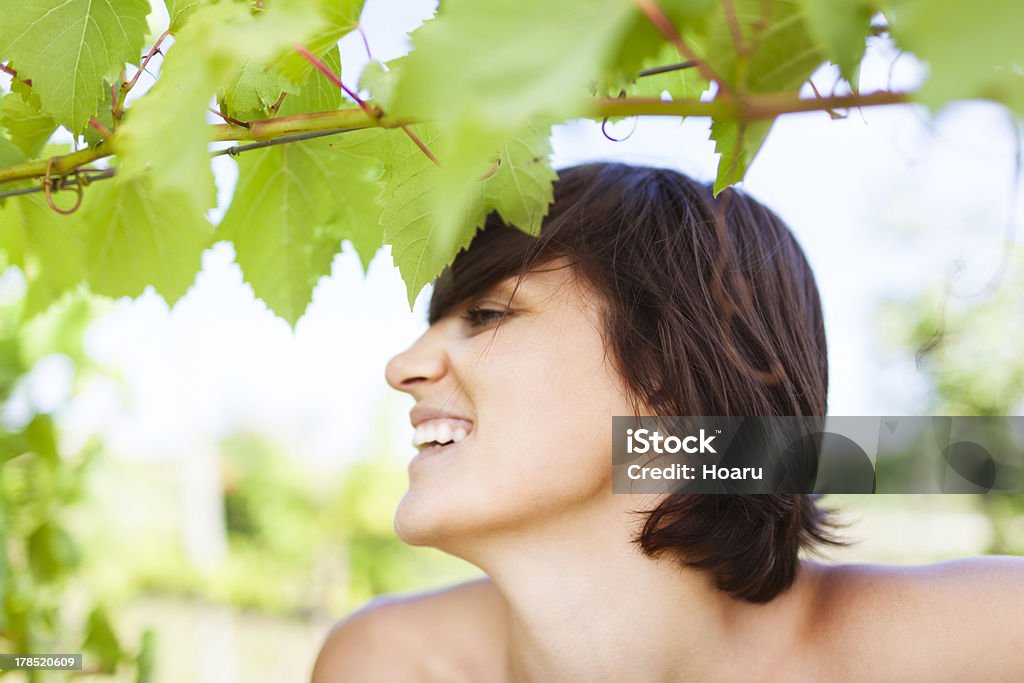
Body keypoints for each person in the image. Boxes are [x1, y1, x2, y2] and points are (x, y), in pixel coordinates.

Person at [312, 163, 1024, 682]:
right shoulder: (386, 663)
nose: (402, 365)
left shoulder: (975, 639)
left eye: (490, 314)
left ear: (670, 367)